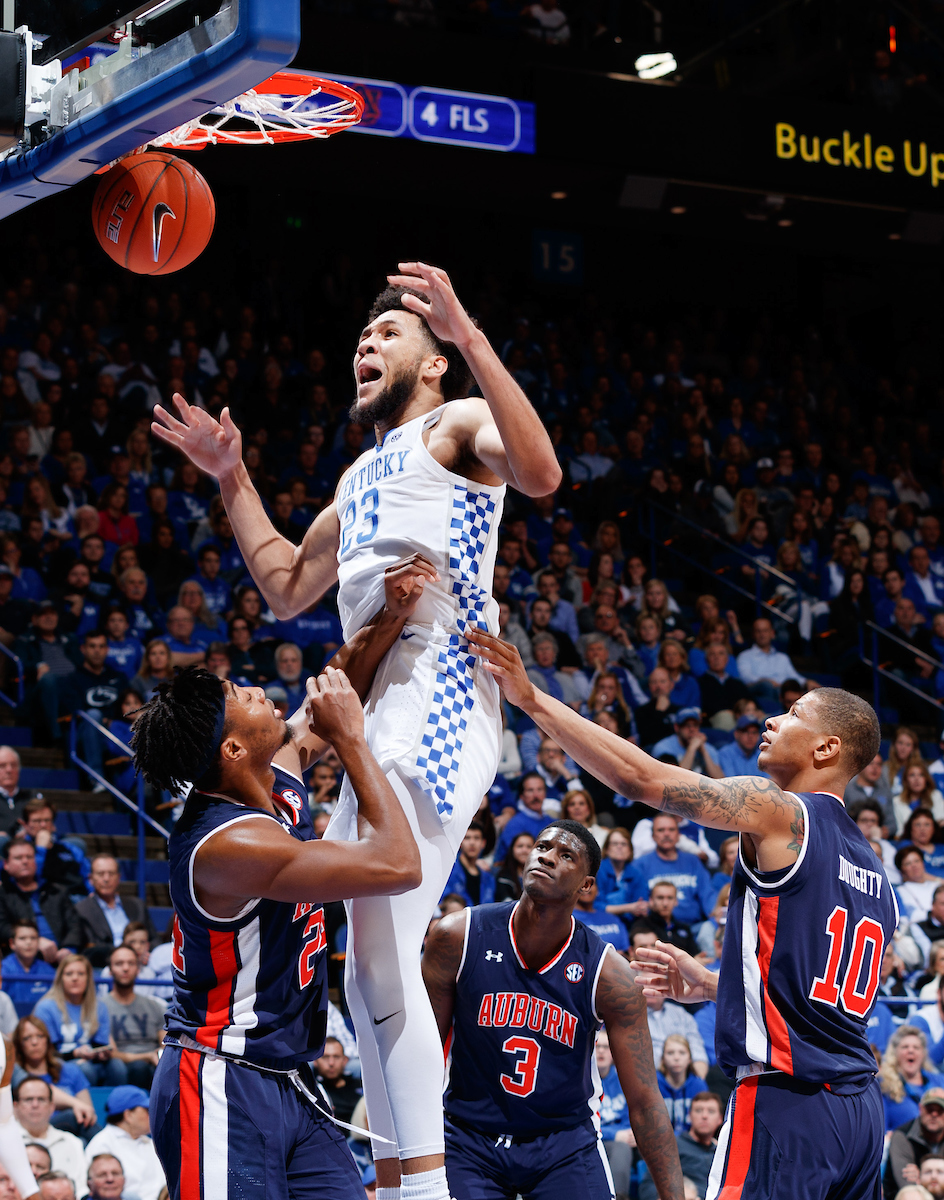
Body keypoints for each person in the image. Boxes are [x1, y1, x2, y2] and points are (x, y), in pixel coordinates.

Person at [153, 264, 561, 1200]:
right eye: (362, 339)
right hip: (376, 703)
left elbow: (541, 474)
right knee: (364, 967)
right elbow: (284, 584)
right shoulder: (360, 473)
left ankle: (424, 1187)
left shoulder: (457, 424)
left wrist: (470, 334)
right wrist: (231, 476)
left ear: (433, 362)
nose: (366, 346)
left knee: (382, 946)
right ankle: (399, 1175)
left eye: (387, 335)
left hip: (443, 683)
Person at [468, 629, 900, 1199]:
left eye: (795, 714)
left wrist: (530, 699)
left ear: (826, 749)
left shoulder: (782, 813)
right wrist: (719, 987)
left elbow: (642, 779)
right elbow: (820, 995)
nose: (773, 720)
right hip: (860, 1113)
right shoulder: (877, 872)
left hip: (788, 1103)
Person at [137, 559, 434, 1200]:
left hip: (291, 1078)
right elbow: (398, 866)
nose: (255, 689)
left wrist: (393, 616)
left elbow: (325, 698)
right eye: (240, 697)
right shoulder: (229, 844)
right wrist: (353, 743)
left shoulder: (268, 779)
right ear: (233, 750)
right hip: (221, 1079)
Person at [421, 819, 684, 1200]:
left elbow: (644, 1102)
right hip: (468, 1138)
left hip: (563, 1145)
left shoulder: (609, 974)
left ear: (586, 885)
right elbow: (420, 1059)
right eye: (542, 847)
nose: (546, 857)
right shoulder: (457, 936)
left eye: (566, 855)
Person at [32, 957, 121, 1088]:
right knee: (85, 1070)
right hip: (59, 1060)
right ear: (61, 978)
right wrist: (75, 1054)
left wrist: (101, 1053)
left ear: (88, 978)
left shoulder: (99, 1006)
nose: (75, 978)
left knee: (117, 1067)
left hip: (90, 1060)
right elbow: (46, 1052)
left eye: (81, 974)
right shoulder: (46, 1007)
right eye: (69, 974)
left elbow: (99, 1044)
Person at [11, 1017, 97, 1141]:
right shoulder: (14, 1075)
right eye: (27, 1038)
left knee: (81, 1140)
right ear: (19, 1044)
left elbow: (87, 1111)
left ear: (47, 1040)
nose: (34, 1042)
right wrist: (75, 1104)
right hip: (35, 1131)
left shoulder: (70, 1070)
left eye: (40, 1036)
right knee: (71, 1116)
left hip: (72, 1134)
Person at [0, 842, 81, 964]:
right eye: (18, 858)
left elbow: (74, 923)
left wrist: (69, 948)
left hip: (63, 957)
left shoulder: (56, 891)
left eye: (29, 857)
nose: (25, 861)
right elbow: (2, 927)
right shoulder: (3, 894)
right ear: (6, 864)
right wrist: (34, 940)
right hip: (22, 958)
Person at [638, 1092, 725, 1200]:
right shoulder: (672, 1146)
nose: (704, 1116)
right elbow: (648, 1187)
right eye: (698, 1110)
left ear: (720, 1119)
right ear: (689, 1116)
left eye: (711, 1111)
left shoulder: (722, 1152)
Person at [74, 856, 154, 969]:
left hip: (142, 966)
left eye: (111, 873)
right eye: (101, 874)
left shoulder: (137, 905)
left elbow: (154, 939)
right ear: (91, 879)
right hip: (104, 967)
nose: (106, 879)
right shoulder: (82, 909)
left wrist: (145, 953)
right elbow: (90, 950)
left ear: (119, 877)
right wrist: (127, 953)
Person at [83, 1087, 163, 1200]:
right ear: (128, 1115)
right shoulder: (102, 1143)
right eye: (147, 1111)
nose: (152, 1116)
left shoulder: (151, 1143)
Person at [102, 947, 164, 1090]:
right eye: (119, 963)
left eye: (131, 963)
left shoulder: (154, 1006)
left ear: (138, 969)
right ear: (110, 969)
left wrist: (157, 1056)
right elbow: (111, 1053)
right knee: (138, 1067)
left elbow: (165, 1044)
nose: (125, 968)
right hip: (121, 1067)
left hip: (154, 1064)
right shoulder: (100, 1007)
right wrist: (146, 1056)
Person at [14, 1078, 85, 1198]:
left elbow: (81, 1189)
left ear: (52, 1107)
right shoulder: (4, 1143)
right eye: (28, 1099)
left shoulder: (72, 1143)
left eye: (41, 1099)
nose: (35, 1105)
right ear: (15, 1106)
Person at [885, 1086, 944, 1198]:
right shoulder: (903, 1135)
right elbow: (907, 1185)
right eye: (929, 1109)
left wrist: (923, 1175)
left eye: (940, 1110)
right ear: (920, 1108)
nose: (934, 1115)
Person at [314, 1037, 362, 1125]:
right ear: (315, 1061)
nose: (331, 1063)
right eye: (325, 1057)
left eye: (336, 1057)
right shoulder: (312, 1093)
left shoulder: (362, 1086)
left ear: (345, 1060)